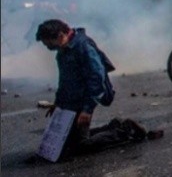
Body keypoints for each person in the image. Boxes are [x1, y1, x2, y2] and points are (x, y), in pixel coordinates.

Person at [36, 20, 161, 160]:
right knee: (65, 143)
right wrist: (58, 103)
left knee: (81, 146)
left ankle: (124, 130)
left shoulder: (83, 47)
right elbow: (64, 81)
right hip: (72, 101)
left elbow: (97, 78)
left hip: (83, 101)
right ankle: (115, 126)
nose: (49, 47)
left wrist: (87, 109)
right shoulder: (63, 50)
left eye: (49, 44)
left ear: (60, 35)